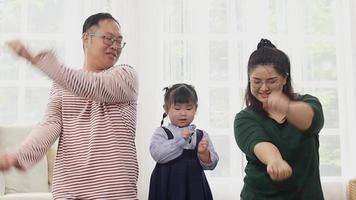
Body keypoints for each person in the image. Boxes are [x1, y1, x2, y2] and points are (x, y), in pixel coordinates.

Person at [0, 13, 139, 200]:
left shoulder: (126, 76)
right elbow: (49, 126)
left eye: (119, 41)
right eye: (108, 38)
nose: (115, 46)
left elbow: (92, 86)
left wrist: (36, 60)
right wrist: (17, 156)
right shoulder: (62, 85)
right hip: (69, 191)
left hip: (114, 192)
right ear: (86, 38)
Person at [234, 39, 325, 200]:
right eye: (256, 81)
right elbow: (259, 143)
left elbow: (310, 120)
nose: (263, 88)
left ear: (284, 78)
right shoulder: (245, 118)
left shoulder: (307, 102)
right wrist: (274, 161)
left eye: (271, 81)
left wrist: (287, 107)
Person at [148, 83, 219, 200]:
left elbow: (212, 164)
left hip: (194, 187)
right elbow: (158, 155)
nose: (183, 113)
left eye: (189, 108)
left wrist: (203, 154)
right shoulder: (161, 132)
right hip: (166, 186)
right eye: (177, 108)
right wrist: (181, 140)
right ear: (166, 109)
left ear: (195, 109)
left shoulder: (201, 135)